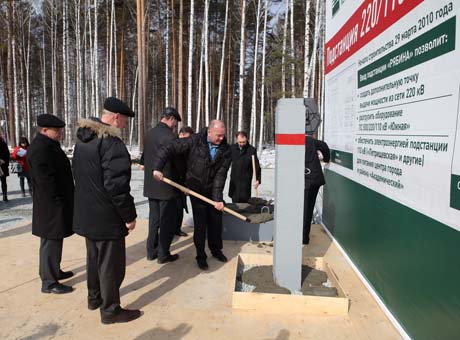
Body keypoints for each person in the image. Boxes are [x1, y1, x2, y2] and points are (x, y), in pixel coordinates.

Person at [73, 97, 141, 324]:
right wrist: (129, 216)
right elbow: (117, 186)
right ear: (115, 117)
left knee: (93, 259)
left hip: (88, 213)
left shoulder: (83, 139)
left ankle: (94, 299)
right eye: (123, 121)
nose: (124, 125)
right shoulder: (111, 143)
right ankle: (111, 310)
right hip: (106, 216)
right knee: (111, 266)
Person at [153, 120, 231, 270]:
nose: (221, 139)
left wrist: (217, 199)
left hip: (212, 189)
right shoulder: (195, 141)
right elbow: (169, 148)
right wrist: (158, 167)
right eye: (218, 135)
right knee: (200, 224)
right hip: (195, 189)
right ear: (209, 132)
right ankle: (200, 255)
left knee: (216, 221)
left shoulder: (225, 150)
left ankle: (216, 250)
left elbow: (220, 177)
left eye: (223, 136)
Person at [27, 114, 75, 294]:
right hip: (51, 205)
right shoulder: (41, 148)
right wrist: (58, 201)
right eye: (57, 130)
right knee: (50, 241)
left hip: (54, 203)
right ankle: (49, 282)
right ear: (44, 130)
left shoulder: (48, 145)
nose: (60, 133)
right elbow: (45, 180)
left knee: (55, 240)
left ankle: (54, 271)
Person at [143, 107, 182, 263]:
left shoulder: (149, 134)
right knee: (167, 221)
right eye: (175, 122)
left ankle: (151, 252)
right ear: (171, 118)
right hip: (166, 185)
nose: (175, 126)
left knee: (154, 220)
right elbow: (177, 163)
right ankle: (163, 254)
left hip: (152, 185)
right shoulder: (170, 137)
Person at [303, 134, 330, 245]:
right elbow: (323, 146)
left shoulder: (302, 140)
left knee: (306, 209)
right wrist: (326, 158)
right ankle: (303, 237)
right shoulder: (310, 140)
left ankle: (304, 238)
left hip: (309, 179)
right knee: (307, 208)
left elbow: (323, 145)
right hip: (312, 178)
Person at [228, 131, 261, 203]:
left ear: (247, 139)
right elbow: (225, 162)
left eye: (244, 142)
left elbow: (256, 166)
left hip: (245, 180)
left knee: (244, 199)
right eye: (240, 142)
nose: (242, 144)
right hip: (234, 179)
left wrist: (258, 179)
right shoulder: (232, 148)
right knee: (234, 198)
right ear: (236, 140)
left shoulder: (251, 150)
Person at [175, 126, 194, 237]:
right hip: (173, 181)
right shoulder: (173, 146)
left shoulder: (191, 148)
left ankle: (177, 228)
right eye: (182, 138)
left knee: (181, 205)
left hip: (185, 181)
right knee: (173, 207)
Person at [0, 135, 9, 202]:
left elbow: (7, 153)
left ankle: (5, 195)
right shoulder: (3, 143)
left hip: (3, 165)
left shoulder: (3, 143)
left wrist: (3, 160)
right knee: (3, 181)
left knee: (3, 181)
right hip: (3, 164)